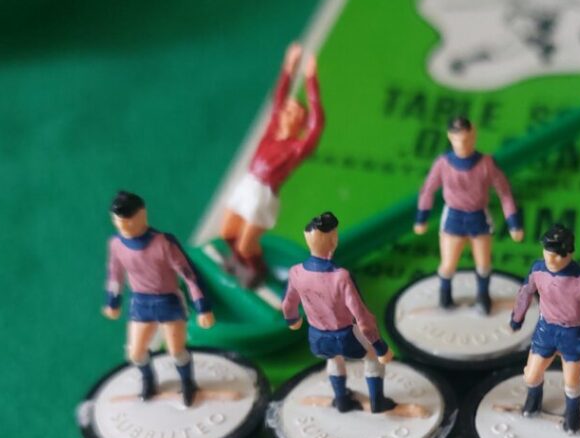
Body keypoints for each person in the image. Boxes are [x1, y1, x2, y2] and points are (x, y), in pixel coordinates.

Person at [220, 42, 324, 287]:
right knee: (227, 233)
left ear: (301, 123)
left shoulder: (297, 148)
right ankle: (238, 261)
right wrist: (289, 67)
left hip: (263, 195)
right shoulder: (271, 132)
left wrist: (311, 81)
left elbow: (317, 123)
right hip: (247, 184)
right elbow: (278, 99)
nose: (286, 113)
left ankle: (256, 269)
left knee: (246, 245)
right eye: (286, 110)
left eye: (293, 112)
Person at [103, 190, 214, 407]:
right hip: (140, 303)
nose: (123, 225)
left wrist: (203, 307)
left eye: (127, 219)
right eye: (118, 220)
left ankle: (187, 383)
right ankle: (148, 380)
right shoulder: (116, 244)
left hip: (168, 301)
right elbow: (114, 274)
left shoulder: (164, 243)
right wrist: (113, 301)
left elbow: (189, 275)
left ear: (142, 214)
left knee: (176, 350)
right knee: (136, 352)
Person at [509, 224, 580, 434]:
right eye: (547, 253)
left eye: (557, 255)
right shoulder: (538, 270)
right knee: (531, 375)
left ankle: (573, 414)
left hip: (573, 335)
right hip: (546, 330)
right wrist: (517, 317)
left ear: (569, 253)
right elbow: (525, 293)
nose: (551, 259)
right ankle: (533, 403)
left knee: (571, 382)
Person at [282, 211, 395, 413]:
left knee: (333, 359)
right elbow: (361, 316)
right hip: (345, 335)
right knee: (372, 359)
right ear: (333, 240)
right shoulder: (340, 277)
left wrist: (293, 320)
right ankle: (377, 403)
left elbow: (288, 303)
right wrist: (380, 346)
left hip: (317, 337)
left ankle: (342, 401)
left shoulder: (296, 272)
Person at [414, 116, 523, 314]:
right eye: (457, 139)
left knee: (483, 264)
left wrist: (514, 223)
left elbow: (505, 192)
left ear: (474, 136)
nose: (462, 144)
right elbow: (428, 190)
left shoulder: (487, 163)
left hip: (478, 217)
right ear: (450, 137)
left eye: (466, 139)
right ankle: (445, 298)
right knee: (448, 265)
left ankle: (483, 297)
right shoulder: (443, 163)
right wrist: (422, 217)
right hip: (453, 219)